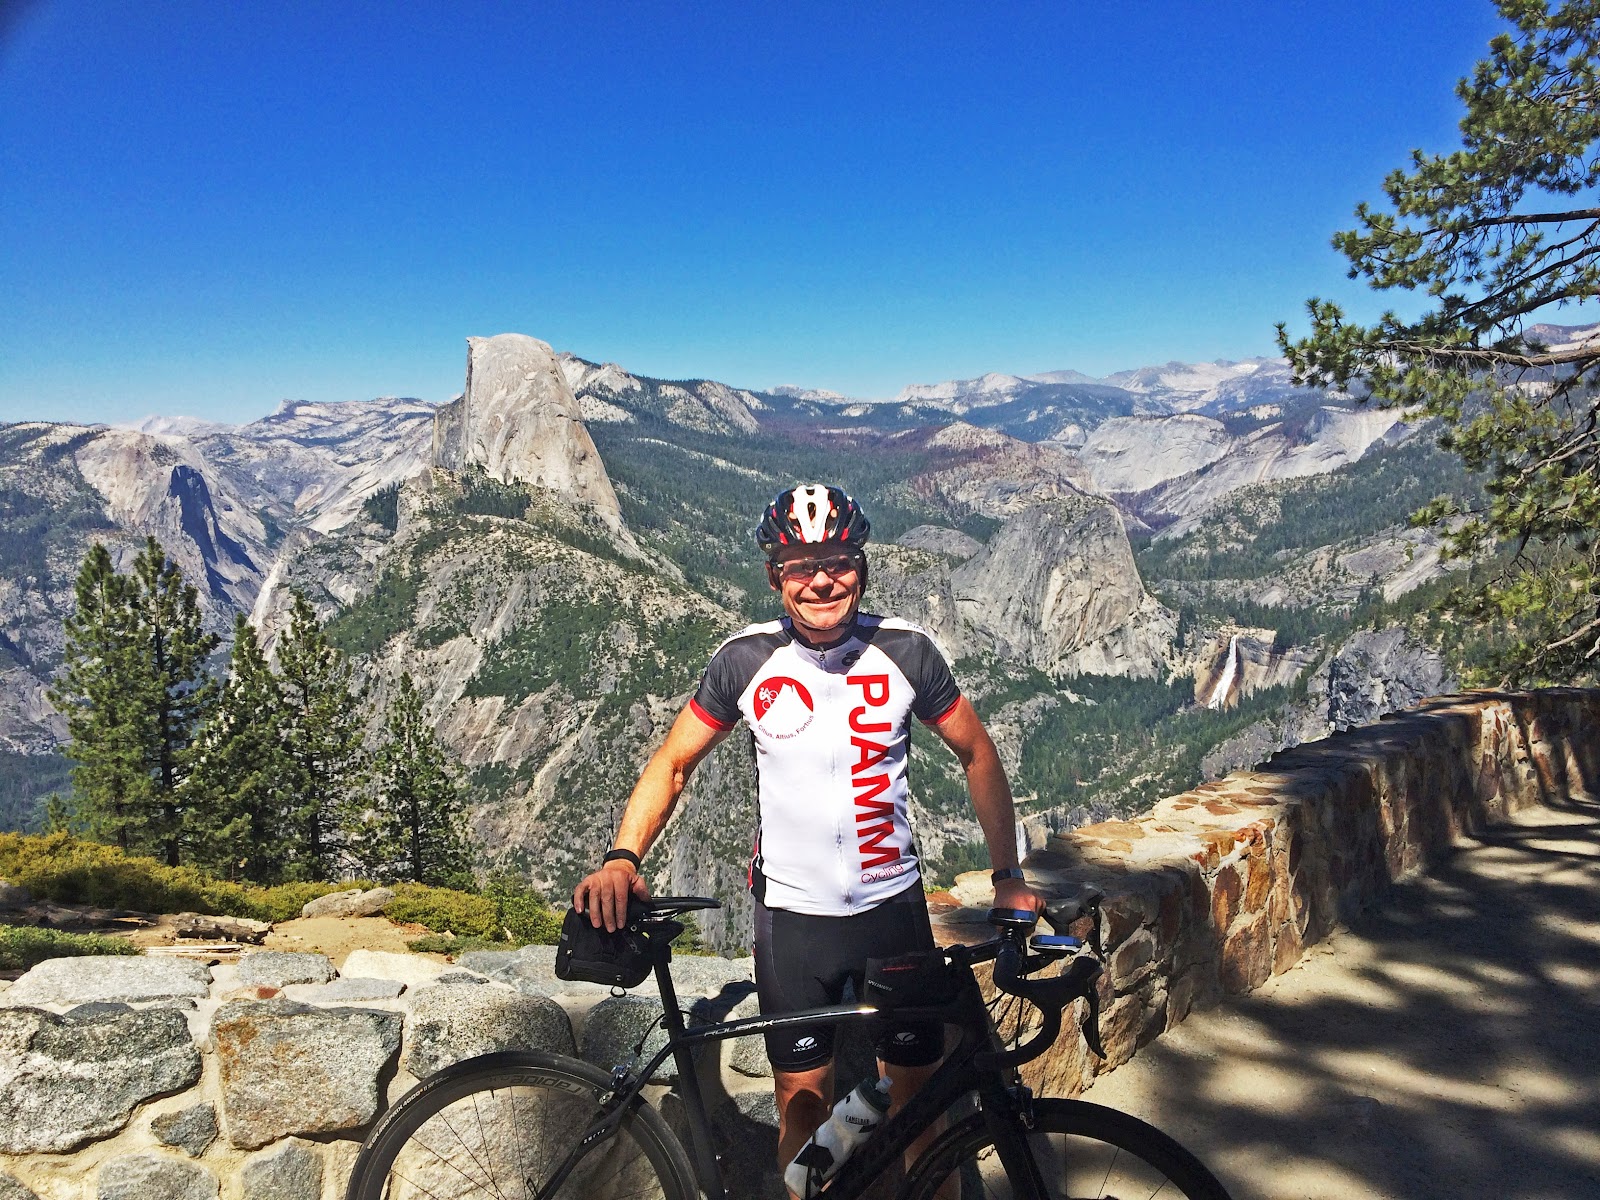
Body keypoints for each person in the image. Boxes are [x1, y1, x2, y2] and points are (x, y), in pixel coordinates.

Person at [573, 482, 1043, 1192]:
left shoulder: (908, 651)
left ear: (861, 565)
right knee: (803, 1109)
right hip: (793, 923)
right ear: (775, 577)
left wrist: (1006, 873)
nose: (821, 579)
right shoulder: (744, 662)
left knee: (920, 1110)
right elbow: (672, 764)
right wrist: (621, 857)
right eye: (799, 565)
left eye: (837, 560)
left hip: (894, 911)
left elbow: (978, 753)